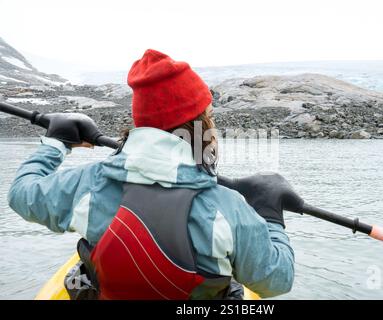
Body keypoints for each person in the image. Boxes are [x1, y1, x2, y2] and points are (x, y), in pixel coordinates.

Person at [8, 49, 296, 300]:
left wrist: (56, 143)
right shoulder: (228, 208)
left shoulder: (89, 184)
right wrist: (270, 217)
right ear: (199, 127)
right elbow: (277, 280)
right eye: (209, 115)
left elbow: (21, 193)